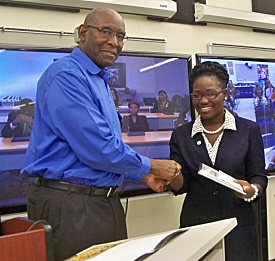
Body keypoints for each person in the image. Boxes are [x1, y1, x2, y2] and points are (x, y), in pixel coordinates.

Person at [20, 8, 180, 261]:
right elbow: (98, 148)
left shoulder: (98, 79)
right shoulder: (66, 76)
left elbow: (99, 149)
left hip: (99, 201)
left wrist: (141, 174)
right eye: (106, 32)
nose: (114, 42)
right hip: (71, 205)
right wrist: (153, 166)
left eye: (120, 36)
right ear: (83, 33)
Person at [169, 61, 267, 261]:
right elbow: (181, 186)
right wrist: (171, 174)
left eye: (210, 94)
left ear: (225, 94)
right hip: (197, 225)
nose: (203, 100)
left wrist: (251, 190)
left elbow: (258, 175)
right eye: (197, 95)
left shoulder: (248, 130)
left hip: (239, 224)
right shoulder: (181, 135)